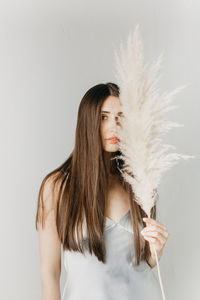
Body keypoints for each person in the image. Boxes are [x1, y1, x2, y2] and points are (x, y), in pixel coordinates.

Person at [35, 82, 170, 300]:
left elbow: (144, 263)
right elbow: (49, 274)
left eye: (121, 117)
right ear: (87, 122)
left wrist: (157, 250)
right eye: (104, 117)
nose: (114, 127)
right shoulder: (57, 187)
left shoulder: (138, 181)